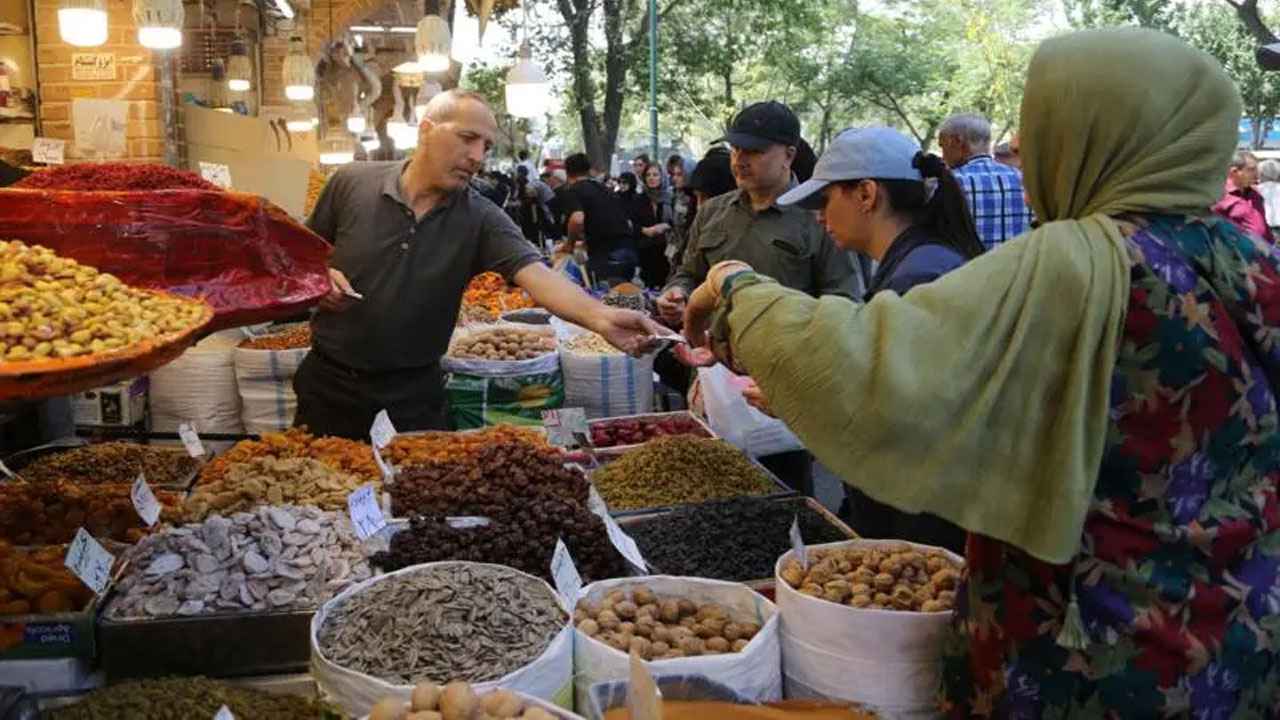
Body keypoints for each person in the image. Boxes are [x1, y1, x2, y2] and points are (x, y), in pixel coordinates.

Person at [682, 28, 1280, 716]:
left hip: (1091, 657)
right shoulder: (1251, 259)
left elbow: (872, 367)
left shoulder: (1080, 264)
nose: (1025, 165)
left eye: (1037, 137)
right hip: (1237, 640)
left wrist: (734, 287)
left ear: (1088, 135)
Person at [300, 91, 661, 438]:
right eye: (467, 138)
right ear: (426, 129)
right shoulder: (351, 183)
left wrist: (601, 318)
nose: (477, 156)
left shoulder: (481, 217)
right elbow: (300, 261)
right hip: (328, 384)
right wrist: (319, 280)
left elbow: (537, 275)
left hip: (411, 397)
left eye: (486, 146)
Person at [776, 125, 984, 553]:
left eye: (825, 200)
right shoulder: (917, 262)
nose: (818, 216)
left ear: (866, 194)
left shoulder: (920, 278)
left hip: (927, 528)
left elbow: (905, 419)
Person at [657, 101, 857, 326]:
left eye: (754, 151)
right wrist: (676, 293)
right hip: (709, 354)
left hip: (784, 356)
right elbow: (689, 274)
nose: (739, 161)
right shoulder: (711, 212)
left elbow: (844, 303)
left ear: (788, 156)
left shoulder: (821, 219)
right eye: (735, 149)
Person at [938, 113, 1033, 249]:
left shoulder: (949, 183)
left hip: (969, 268)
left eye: (942, 146)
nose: (943, 156)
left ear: (957, 141)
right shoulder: (1025, 180)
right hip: (1020, 267)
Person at [560, 152, 639, 287]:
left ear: (567, 173)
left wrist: (570, 245)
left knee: (599, 297)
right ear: (589, 170)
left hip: (607, 259)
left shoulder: (573, 190)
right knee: (623, 299)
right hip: (629, 253)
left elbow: (577, 219)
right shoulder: (604, 189)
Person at [1212, 150, 1276, 243]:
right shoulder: (1219, 195)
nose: (1257, 175)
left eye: (1256, 170)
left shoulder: (1254, 193)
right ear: (1234, 172)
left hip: (1262, 251)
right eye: (1251, 169)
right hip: (1234, 253)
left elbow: (1262, 224)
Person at [632, 162, 674, 288]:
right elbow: (629, 223)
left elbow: (678, 222)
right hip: (646, 248)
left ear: (662, 177)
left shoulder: (670, 197)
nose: (651, 178)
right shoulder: (638, 199)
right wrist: (644, 230)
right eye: (648, 175)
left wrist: (666, 226)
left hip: (667, 248)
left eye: (655, 174)